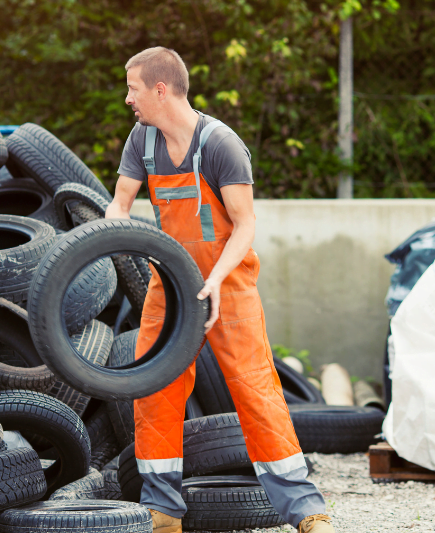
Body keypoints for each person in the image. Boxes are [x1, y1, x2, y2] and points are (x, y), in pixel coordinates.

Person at [105, 47, 334, 533]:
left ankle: (306, 511)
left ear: (160, 89)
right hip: (170, 288)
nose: (128, 98)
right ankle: (163, 511)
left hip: (227, 284)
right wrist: (110, 242)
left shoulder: (220, 144)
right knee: (153, 390)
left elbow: (246, 224)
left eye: (133, 88)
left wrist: (213, 281)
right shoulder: (141, 141)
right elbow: (119, 206)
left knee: (255, 390)